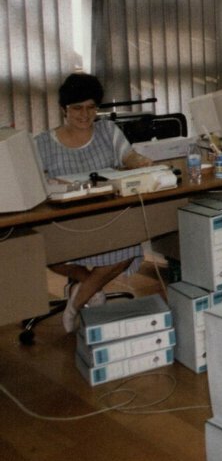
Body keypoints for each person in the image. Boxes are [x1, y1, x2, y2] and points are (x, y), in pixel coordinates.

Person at [35, 72, 154, 332]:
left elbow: (128, 157)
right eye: (77, 108)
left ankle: (76, 303)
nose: (85, 115)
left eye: (91, 108)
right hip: (65, 221)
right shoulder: (43, 143)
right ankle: (91, 285)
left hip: (107, 218)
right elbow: (34, 185)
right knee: (44, 250)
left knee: (130, 246)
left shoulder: (107, 131)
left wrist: (143, 163)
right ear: (63, 109)